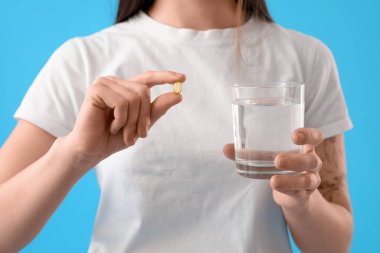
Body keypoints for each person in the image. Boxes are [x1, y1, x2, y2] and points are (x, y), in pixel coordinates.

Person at [0, 0, 354, 252]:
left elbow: (335, 245)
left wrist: (300, 203)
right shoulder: (86, 59)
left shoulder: (307, 58)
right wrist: (75, 154)